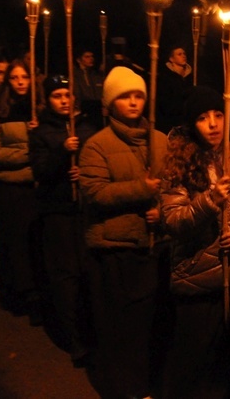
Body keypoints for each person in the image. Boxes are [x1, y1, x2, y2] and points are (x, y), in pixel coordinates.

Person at [160, 86, 230, 398]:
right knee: (193, 370)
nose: (214, 123)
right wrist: (209, 201)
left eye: (218, 115)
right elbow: (173, 221)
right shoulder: (180, 165)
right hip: (197, 280)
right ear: (192, 124)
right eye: (203, 118)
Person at [78, 66, 168, 398]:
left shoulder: (159, 140)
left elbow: (171, 184)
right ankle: (125, 388)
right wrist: (140, 189)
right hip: (116, 245)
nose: (133, 103)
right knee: (122, 325)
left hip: (154, 244)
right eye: (125, 96)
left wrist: (163, 208)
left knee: (151, 322)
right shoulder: (97, 146)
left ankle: (149, 381)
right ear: (110, 102)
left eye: (138, 96)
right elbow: (94, 192)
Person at [29, 75, 98, 366]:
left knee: (89, 272)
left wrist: (83, 171)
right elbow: (40, 171)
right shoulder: (42, 132)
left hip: (85, 211)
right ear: (48, 99)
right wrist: (62, 153)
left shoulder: (86, 127)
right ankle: (75, 339)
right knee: (65, 276)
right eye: (57, 95)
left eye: (67, 95)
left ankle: (94, 332)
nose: (63, 100)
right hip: (58, 211)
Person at [0, 59, 43, 322]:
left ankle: (39, 296)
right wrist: (27, 153)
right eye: (15, 78)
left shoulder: (39, 112)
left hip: (35, 188)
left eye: (24, 77)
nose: (20, 82)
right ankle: (21, 295)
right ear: (8, 82)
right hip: (10, 190)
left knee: (35, 244)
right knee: (15, 245)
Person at [155, 46, 193, 134]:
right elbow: (164, 103)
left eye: (184, 54)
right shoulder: (165, 78)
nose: (183, 56)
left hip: (187, 122)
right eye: (179, 54)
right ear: (171, 59)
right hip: (170, 123)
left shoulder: (191, 77)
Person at [72, 48, 105, 129]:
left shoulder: (96, 75)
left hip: (97, 110)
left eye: (92, 56)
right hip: (83, 110)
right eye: (87, 57)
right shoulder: (74, 74)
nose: (91, 59)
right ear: (79, 60)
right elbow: (77, 93)